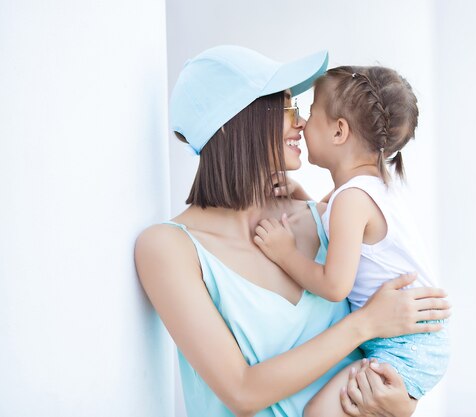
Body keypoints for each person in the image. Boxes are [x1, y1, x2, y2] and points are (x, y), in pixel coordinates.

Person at [134, 45, 451, 417]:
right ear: (237, 119)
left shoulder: (321, 216)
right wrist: (365, 324)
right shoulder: (169, 249)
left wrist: (400, 404)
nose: (300, 122)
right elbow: (241, 391)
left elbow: (381, 368)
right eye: (288, 107)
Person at [253, 66, 450, 415]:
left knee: (318, 412)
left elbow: (333, 286)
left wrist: (284, 254)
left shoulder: (351, 200)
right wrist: (303, 196)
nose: (301, 123)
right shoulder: (366, 189)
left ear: (339, 131)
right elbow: (333, 219)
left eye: (310, 113)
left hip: (403, 345)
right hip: (418, 337)